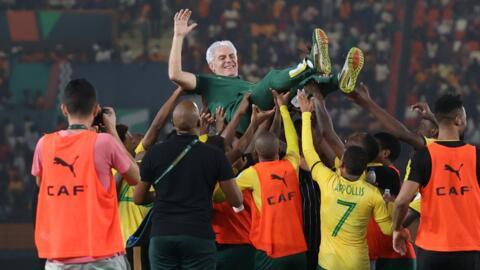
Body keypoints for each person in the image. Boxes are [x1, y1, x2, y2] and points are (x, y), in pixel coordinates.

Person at [168, 9, 365, 133]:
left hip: (262, 111)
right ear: (211, 65)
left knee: (303, 86)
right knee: (271, 80)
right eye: (222, 58)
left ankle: (340, 80)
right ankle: (311, 64)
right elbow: (175, 75)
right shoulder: (208, 83)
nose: (229, 60)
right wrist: (178, 36)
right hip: (240, 116)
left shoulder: (247, 84)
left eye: (232, 56)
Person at [32, 79, 140, 269]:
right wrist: (113, 131)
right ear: (96, 109)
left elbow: (41, 184)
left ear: (64, 109)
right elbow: (136, 178)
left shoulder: (44, 145)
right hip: (103, 258)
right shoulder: (105, 143)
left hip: (60, 258)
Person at [133, 100, 243, 270]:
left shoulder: (155, 153)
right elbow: (236, 200)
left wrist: (163, 193)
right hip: (198, 235)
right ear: (199, 123)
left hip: (162, 235)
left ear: (173, 124)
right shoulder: (214, 155)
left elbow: (138, 198)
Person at [298, 91, 398, 270]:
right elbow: (388, 230)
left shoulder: (328, 180)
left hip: (329, 262)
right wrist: (392, 205)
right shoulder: (373, 193)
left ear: (341, 163)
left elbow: (308, 149)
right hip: (358, 263)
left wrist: (306, 113)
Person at [393, 94, 480, 270]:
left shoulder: (424, 155)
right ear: (458, 120)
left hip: (431, 250)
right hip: (470, 249)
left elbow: (401, 201)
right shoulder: (475, 155)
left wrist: (397, 229)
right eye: (464, 117)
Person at [231, 90, 307, 269]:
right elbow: (293, 141)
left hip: (270, 252)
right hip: (298, 250)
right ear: (278, 151)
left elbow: (220, 193)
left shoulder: (252, 173)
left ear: (256, 154)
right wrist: (283, 109)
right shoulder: (291, 164)